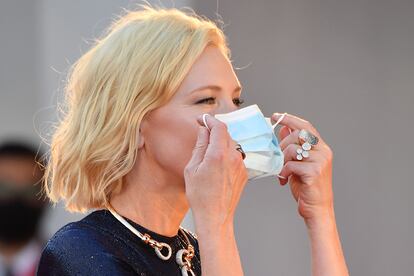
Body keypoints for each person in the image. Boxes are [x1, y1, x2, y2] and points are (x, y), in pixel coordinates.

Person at [37, 4, 349, 276]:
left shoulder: (193, 250)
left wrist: (320, 214)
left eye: (236, 101)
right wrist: (216, 222)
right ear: (134, 123)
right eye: (206, 101)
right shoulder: (81, 252)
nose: (234, 120)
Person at [0, 141, 46, 276]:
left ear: (47, 197)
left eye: (30, 191)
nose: (16, 200)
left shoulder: (68, 266)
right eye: (4, 189)